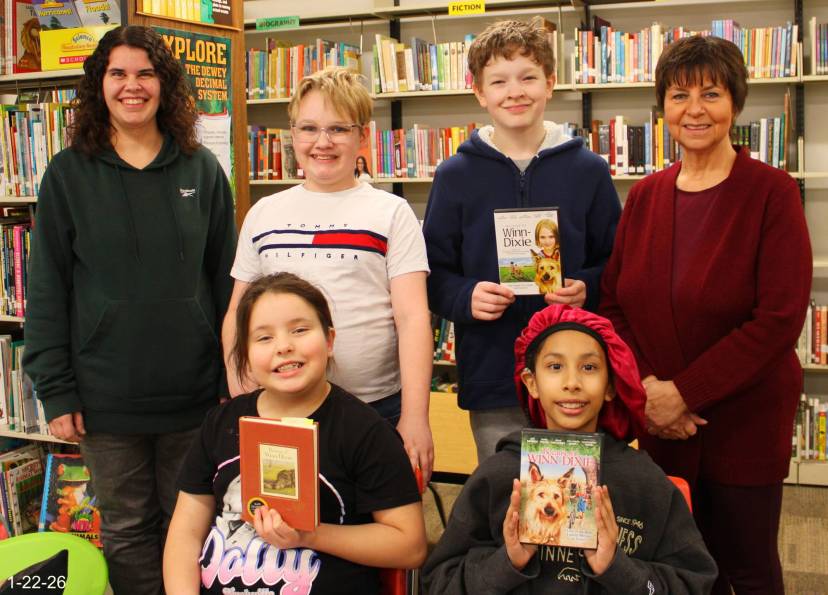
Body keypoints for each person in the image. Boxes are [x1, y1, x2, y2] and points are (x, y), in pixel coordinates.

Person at [23, 25, 236, 595]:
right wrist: (57, 390)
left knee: (195, 527)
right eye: (118, 73)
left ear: (164, 85)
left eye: (145, 73)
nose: (132, 86)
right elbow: (47, 289)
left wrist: (229, 375)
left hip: (194, 396)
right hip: (104, 400)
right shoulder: (67, 175)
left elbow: (227, 282)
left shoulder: (202, 171)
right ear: (100, 85)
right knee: (127, 531)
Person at [599, 35, 811, 595]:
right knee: (681, 565)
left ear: (735, 104)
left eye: (711, 94)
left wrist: (683, 393)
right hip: (662, 423)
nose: (694, 110)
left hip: (742, 421)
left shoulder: (773, 193)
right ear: (662, 108)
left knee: (747, 566)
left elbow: (779, 318)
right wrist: (647, 392)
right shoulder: (644, 196)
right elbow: (614, 304)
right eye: (678, 95)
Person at [223, 67, 435, 483]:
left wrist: (415, 415)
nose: (322, 142)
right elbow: (237, 314)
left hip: (375, 406)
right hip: (281, 406)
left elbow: (413, 319)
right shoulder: (264, 213)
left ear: (362, 137)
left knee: (374, 525)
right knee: (288, 522)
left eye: (338, 128)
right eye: (309, 128)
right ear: (293, 135)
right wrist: (241, 395)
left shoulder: (390, 213)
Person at [422, 18, 620, 462]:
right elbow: (432, 272)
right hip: (494, 372)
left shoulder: (588, 170)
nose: (515, 91)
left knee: (576, 495)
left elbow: (617, 261)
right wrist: (465, 295)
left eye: (528, 77)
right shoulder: (455, 176)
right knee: (502, 495)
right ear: (479, 93)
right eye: (499, 81)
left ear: (550, 83)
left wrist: (588, 285)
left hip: (576, 375)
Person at [421, 304, 718, 594]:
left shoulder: (645, 482)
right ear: (531, 382)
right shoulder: (496, 476)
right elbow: (438, 583)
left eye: (589, 367)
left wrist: (618, 568)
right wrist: (508, 561)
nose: (572, 382)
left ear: (610, 386)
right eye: (555, 366)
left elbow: (694, 582)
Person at [164, 273, 427, 594]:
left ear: (329, 341)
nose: (284, 347)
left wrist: (310, 535)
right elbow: (185, 534)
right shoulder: (221, 422)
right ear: (245, 355)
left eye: (300, 330)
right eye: (263, 338)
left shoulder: (365, 431)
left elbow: (410, 545)